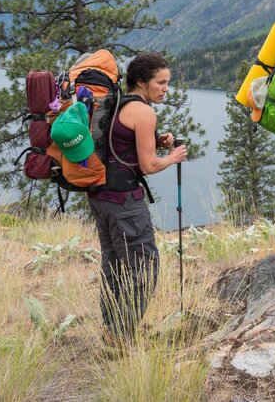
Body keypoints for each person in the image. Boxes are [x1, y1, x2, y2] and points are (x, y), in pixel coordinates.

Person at [88, 52, 187, 346]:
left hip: (100, 197)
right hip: (125, 203)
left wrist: (154, 140)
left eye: (167, 82)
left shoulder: (118, 102)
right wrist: (173, 156)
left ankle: (111, 329)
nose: (165, 88)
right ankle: (122, 337)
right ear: (142, 82)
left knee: (114, 264)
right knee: (143, 267)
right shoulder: (144, 112)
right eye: (161, 82)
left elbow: (117, 142)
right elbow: (149, 166)